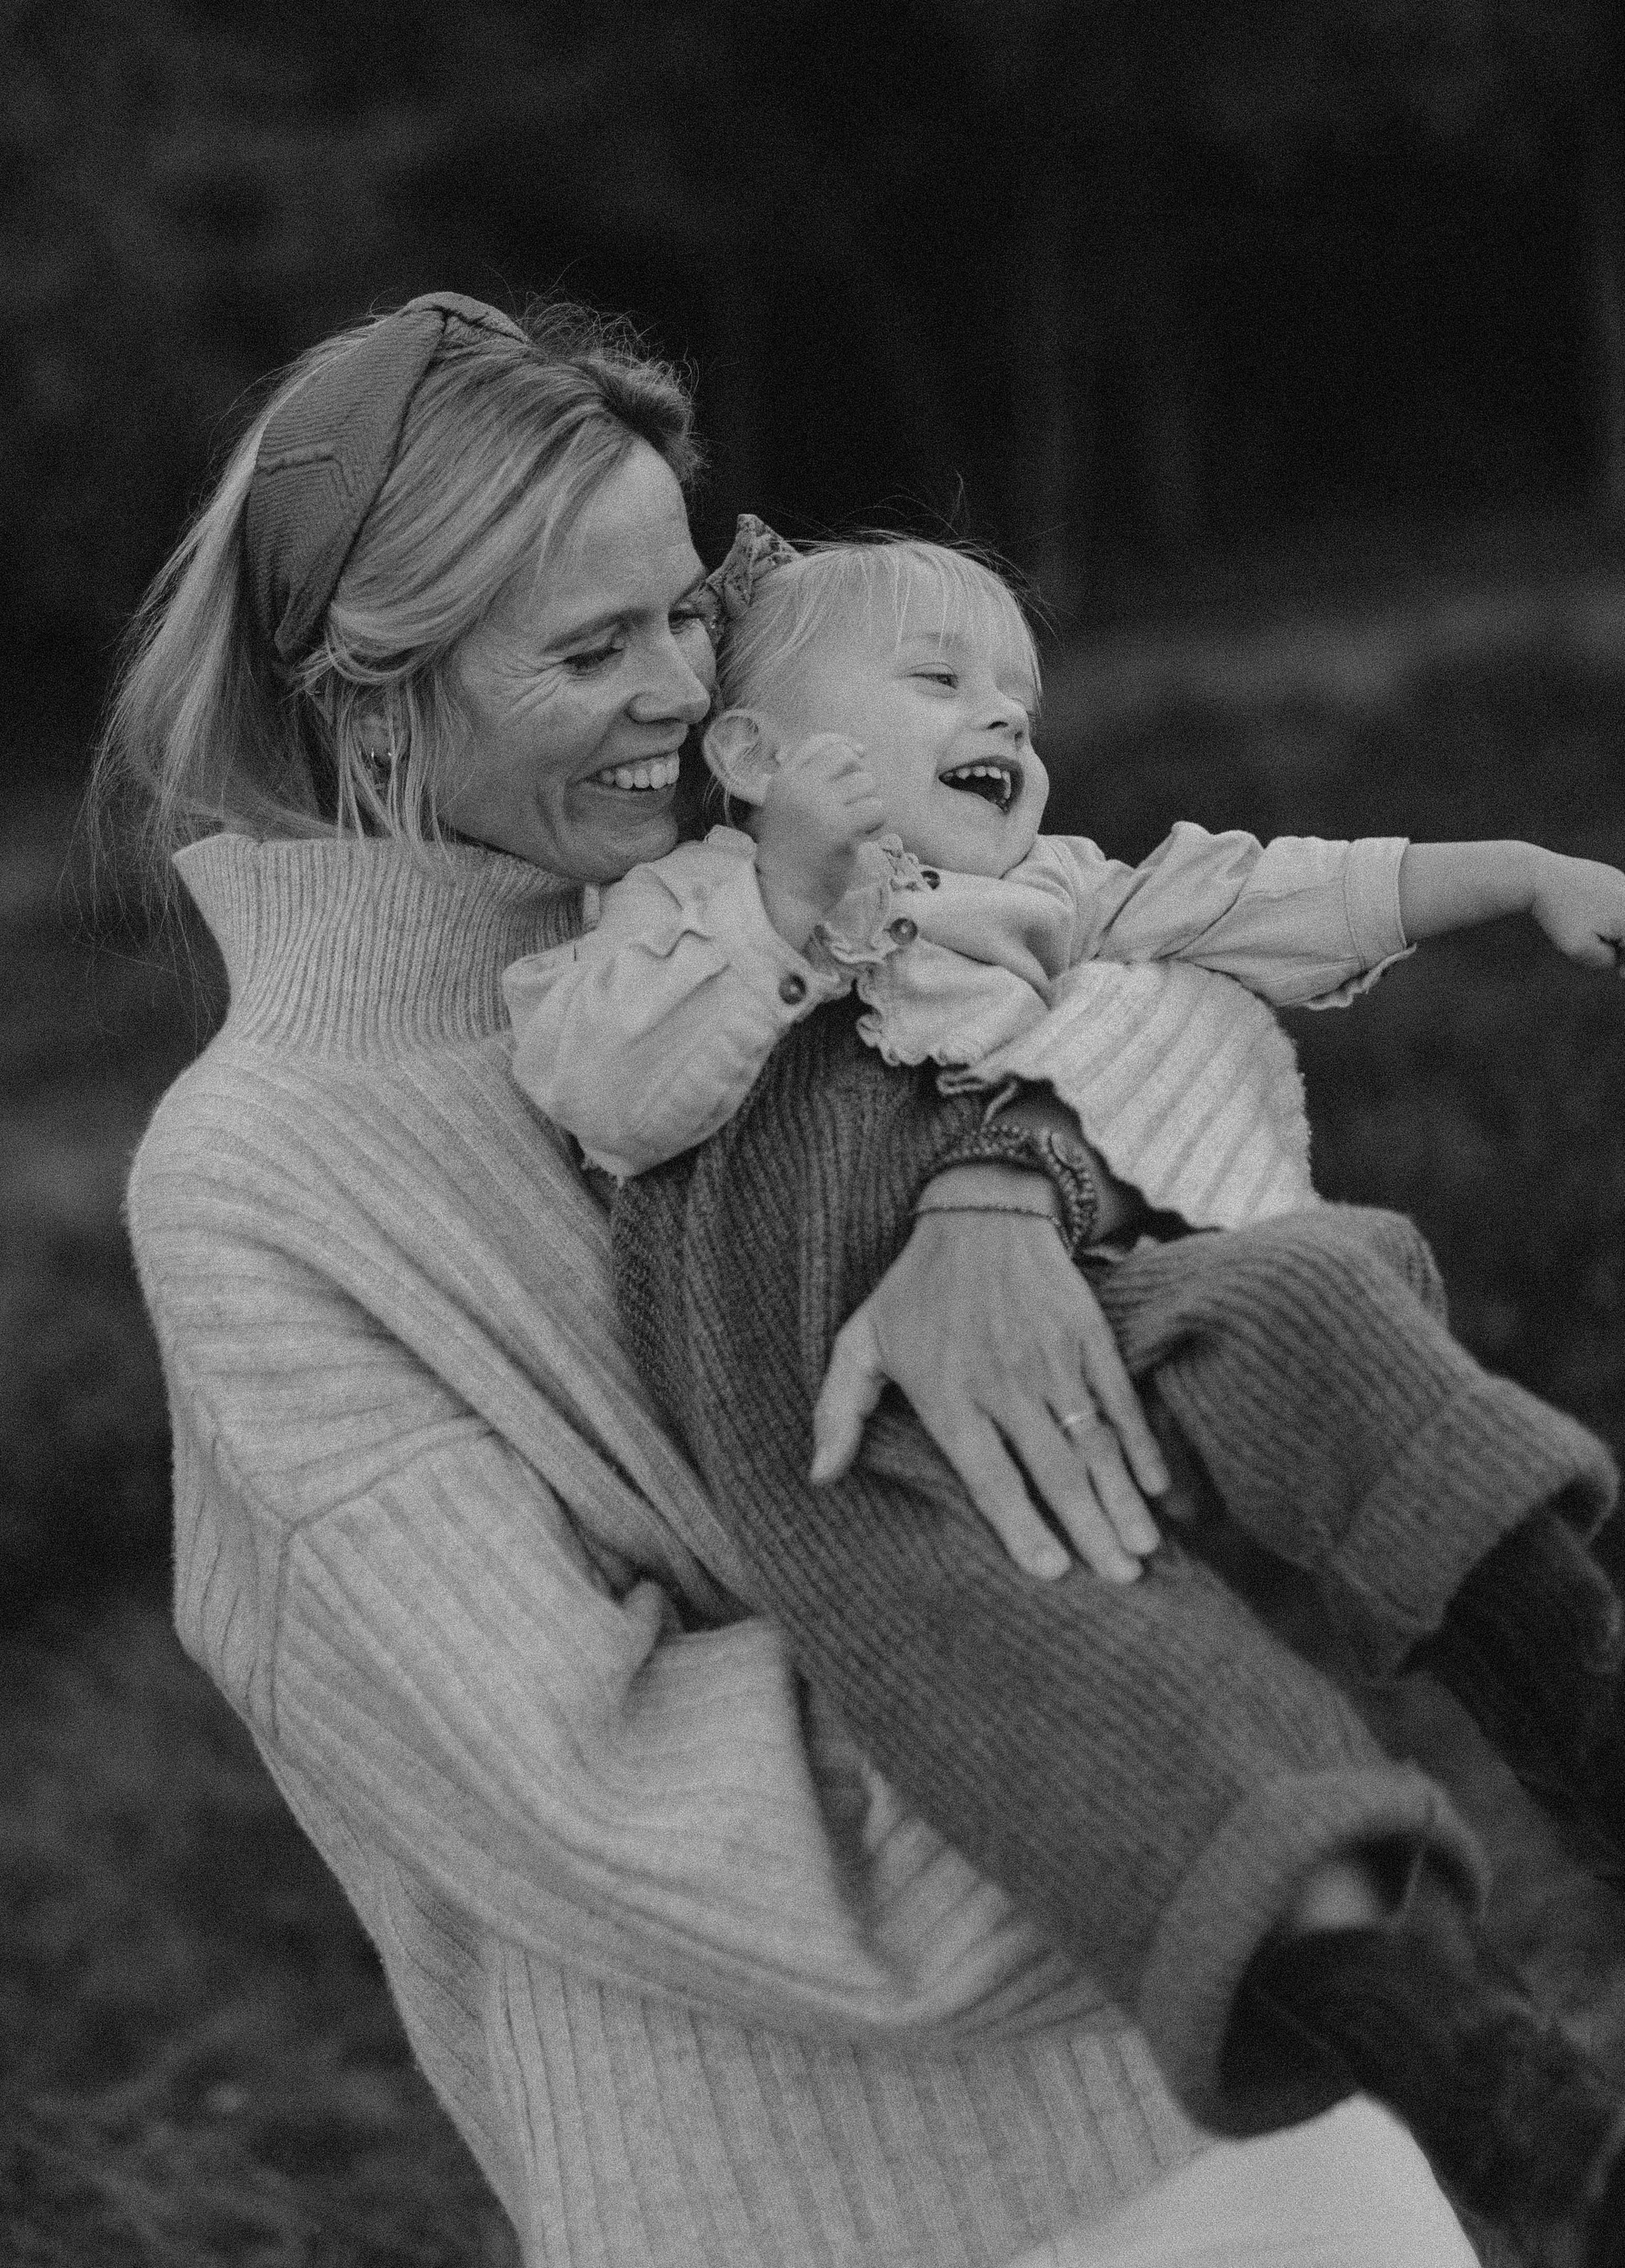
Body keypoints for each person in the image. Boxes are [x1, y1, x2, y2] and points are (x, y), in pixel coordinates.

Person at [106, 290, 1487, 2268]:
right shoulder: (256, 1184)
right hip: (850, 2193)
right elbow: (589, 1780)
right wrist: (1182, 1736)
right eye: (592, 648)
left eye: (686, 607)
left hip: (1246, 2082)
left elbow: (1139, 1031)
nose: (683, 686)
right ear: (369, 695)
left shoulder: (782, 875)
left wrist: (1001, 1199)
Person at [505, 516, 1625, 2256]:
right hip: (833, 1422)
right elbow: (608, 1087)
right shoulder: (671, 909)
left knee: (1308, 1292)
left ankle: (1585, 1710)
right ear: (746, 754)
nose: (1002, 719)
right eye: (939, 678)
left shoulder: (1048, 887)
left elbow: (1273, 890)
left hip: (1093, 1302)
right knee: (1151, 1708)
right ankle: (1512, 2108)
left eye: (1017, 694)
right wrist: (794, 906)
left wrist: (1514, 870)